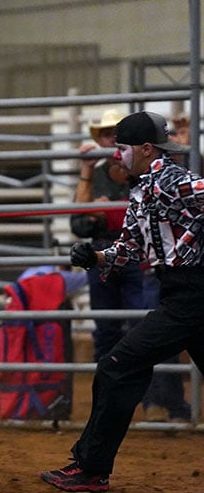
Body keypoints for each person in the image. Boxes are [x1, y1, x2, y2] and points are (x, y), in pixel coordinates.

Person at [42, 111, 204, 492]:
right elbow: (129, 246)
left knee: (116, 368)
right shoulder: (144, 188)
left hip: (188, 298)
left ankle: (92, 468)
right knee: (120, 367)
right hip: (184, 295)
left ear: (146, 149)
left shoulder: (171, 181)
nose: (116, 155)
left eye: (122, 148)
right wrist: (96, 257)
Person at [72, 110, 190, 424]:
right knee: (116, 338)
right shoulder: (135, 185)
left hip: (164, 273)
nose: (113, 144)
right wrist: (97, 255)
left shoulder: (164, 181)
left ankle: (159, 404)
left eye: (120, 140)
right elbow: (85, 224)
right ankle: (114, 412)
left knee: (146, 336)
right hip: (150, 270)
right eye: (107, 135)